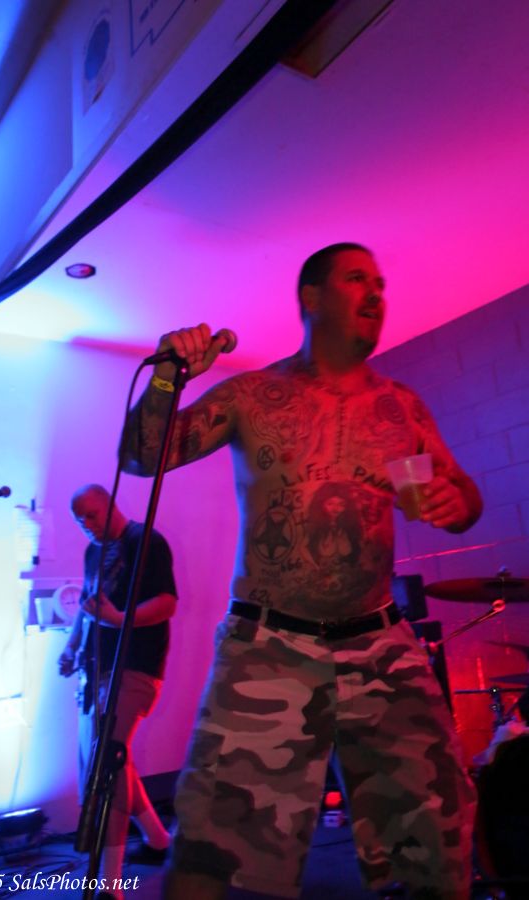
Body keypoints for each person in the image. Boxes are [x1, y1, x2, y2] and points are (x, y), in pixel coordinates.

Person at [119, 243, 483, 900]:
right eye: (357, 279)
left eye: (380, 283)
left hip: (381, 642)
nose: (376, 293)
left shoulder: (399, 406)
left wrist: (457, 505)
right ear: (311, 298)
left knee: (439, 833)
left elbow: (458, 494)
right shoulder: (254, 394)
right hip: (268, 646)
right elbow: (144, 457)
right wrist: (169, 374)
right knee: (211, 861)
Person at [58, 484, 177, 897]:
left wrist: (118, 617)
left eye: (91, 515)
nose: (86, 525)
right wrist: (71, 647)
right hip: (98, 669)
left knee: (107, 761)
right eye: (79, 520)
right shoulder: (93, 553)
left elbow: (166, 603)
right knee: (113, 760)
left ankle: (110, 883)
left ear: (110, 505)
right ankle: (158, 840)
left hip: (135, 666)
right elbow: (88, 607)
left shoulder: (146, 541)